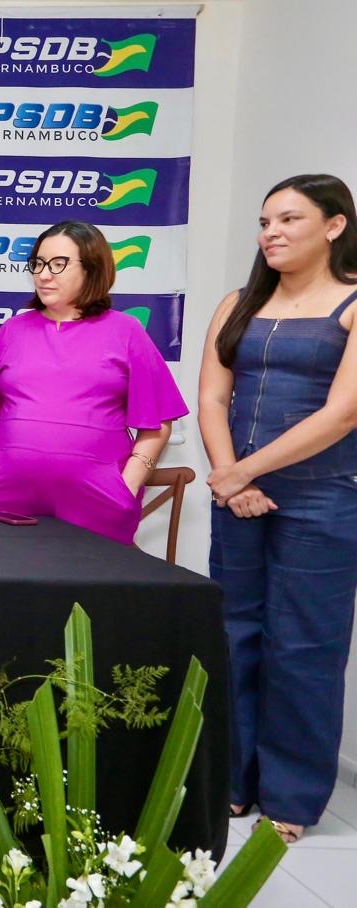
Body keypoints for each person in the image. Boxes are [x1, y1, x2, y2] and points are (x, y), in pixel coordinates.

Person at [198, 174, 357, 845]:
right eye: (265, 222)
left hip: (323, 499)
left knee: (304, 646)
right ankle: (232, 783)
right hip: (236, 496)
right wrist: (230, 479)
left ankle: (291, 796)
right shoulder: (238, 303)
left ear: (335, 225)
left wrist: (244, 470)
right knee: (234, 636)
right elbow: (212, 399)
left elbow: (343, 413)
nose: (272, 233)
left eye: (289, 219)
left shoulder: (352, 303)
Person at [0, 219, 187, 544]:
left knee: (91, 579)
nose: (43, 274)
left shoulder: (126, 331)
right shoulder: (13, 331)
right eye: (38, 263)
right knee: (6, 577)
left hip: (98, 505)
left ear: (91, 269)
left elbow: (158, 421)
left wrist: (128, 484)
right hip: (3, 499)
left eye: (58, 264)